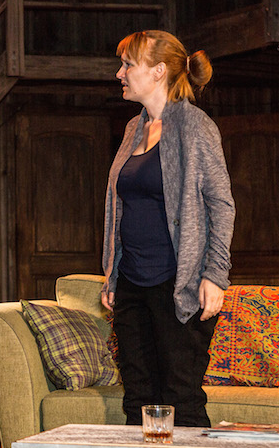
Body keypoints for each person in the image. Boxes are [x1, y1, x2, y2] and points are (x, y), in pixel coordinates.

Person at [100, 30, 235, 427]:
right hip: (131, 285)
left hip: (179, 283)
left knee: (181, 399)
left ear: (158, 71)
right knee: (138, 399)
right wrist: (112, 275)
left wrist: (215, 274)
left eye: (128, 64)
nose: (119, 73)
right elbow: (121, 208)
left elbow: (222, 204)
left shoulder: (195, 126)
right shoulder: (133, 129)